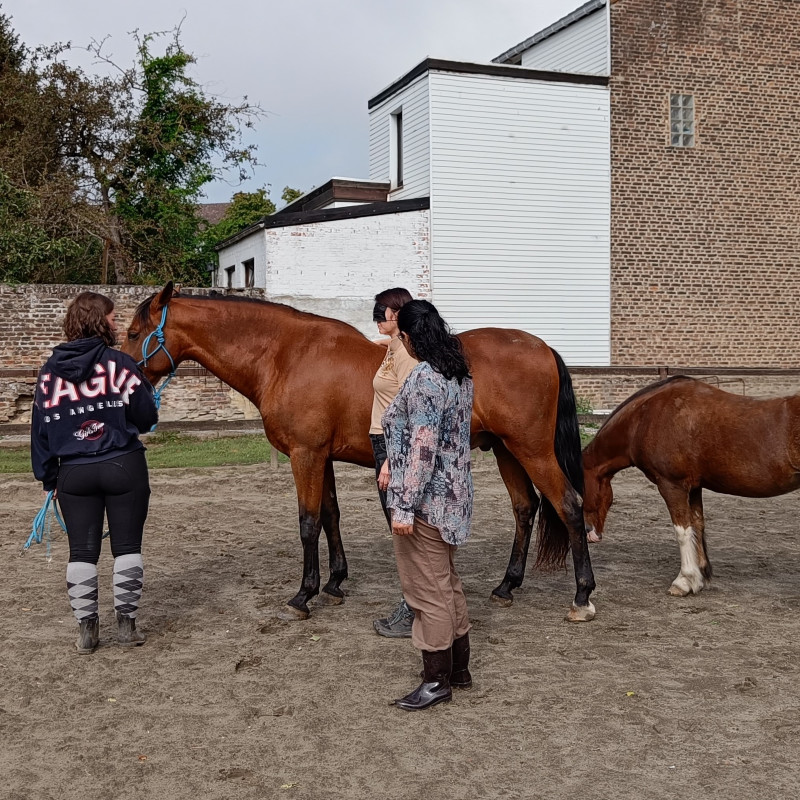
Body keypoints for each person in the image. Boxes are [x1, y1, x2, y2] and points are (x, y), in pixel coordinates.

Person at [31, 291, 158, 654]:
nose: (117, 325)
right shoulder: (120, 365)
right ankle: (127, 627)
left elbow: (40, 430)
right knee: (127, 548)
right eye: (114, 318)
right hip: (123, 465)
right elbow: (146, 417)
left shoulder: (48, 373)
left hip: (73, 473)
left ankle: (87, 633)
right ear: (100, 321)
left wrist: (48, 479)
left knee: (81, 553)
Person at [382, 299, 474, 711]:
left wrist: (402, 506)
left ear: (411, 337)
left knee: (426, 590)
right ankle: (458, 669)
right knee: (447, 580)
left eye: (401, 336)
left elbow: (423, 448)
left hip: (427, 501)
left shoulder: (423, 378)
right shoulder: (458, 373)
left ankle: (436, 681)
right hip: (454, 495)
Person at [369, 288, 419, 638]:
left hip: (392, 445)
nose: (377, 316)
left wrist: (390, 458)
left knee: (403, 527)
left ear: (398, 315)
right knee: (396, 525)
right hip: (381, 440)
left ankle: (414, 608)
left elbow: (409, 406)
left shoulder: (404, 353)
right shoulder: (393, 347)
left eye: (382, 311)